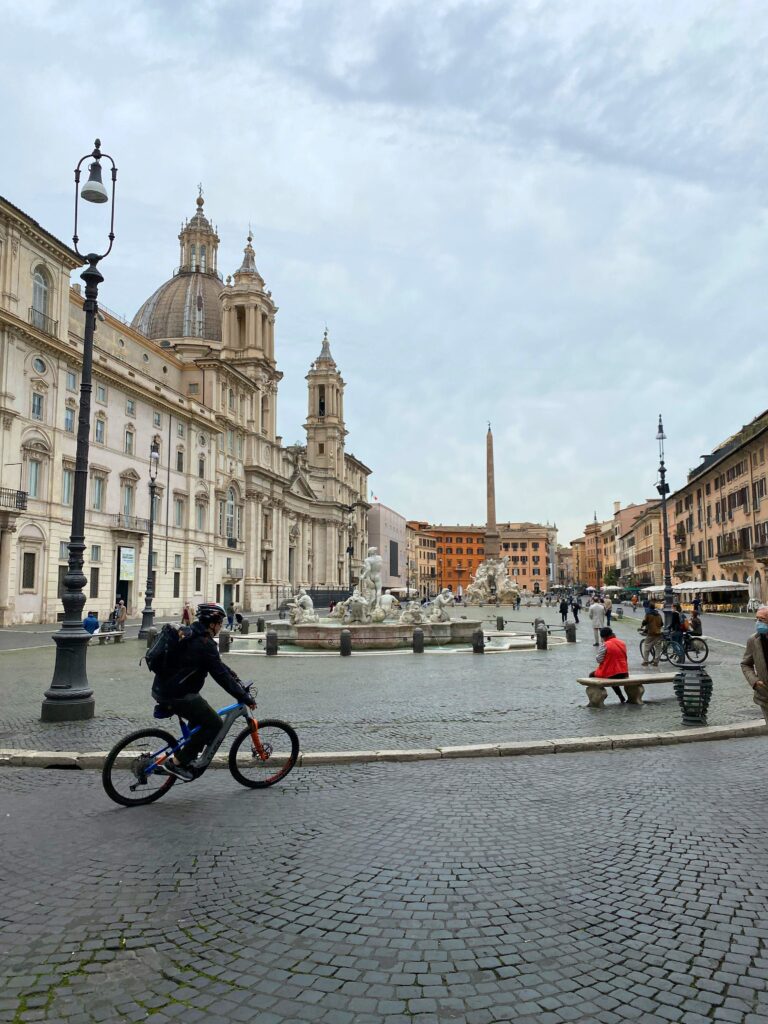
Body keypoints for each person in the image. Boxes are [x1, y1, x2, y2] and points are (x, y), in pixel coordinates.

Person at [151, 603, 253, 782]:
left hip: (162, 688)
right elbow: (220, 676)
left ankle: (188, 754)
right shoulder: (205, 643)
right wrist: (243, 696)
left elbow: (217, 665)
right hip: (179, 695)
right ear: (212, 623)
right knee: (214, 723)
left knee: (199, 718)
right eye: (219, 622)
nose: (221, 626)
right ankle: (177, 762)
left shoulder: (190, 634)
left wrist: (234, 676)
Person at [741, 605, 768, 726]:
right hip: (765, 694)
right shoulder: (753, 640)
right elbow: (745, 664)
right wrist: (755, 682)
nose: (758, 623)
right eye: (756, 619)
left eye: (761, 620)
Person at [589, 626, 629, 703]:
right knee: (612, 676)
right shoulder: (622, 643)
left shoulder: (605, 644)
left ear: (603, 636)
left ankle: (601, 693)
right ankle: (620, 696)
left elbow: (599, 659)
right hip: (623, 672)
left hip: (612, 672)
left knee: (592, 675)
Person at [640, 601, 664, 666]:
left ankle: (645, 661)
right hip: (658, 633)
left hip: (651, 633)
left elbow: (644, 622)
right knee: (658, 648)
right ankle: (656, 661)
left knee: (647, 646)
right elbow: (662, 624)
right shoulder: (658, 614)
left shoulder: (648, 614)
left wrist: (642, 626)